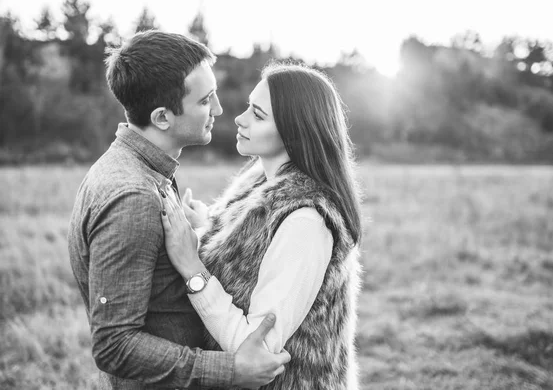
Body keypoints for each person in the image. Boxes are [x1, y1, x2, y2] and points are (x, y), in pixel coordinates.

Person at [67, 30, 290, 389]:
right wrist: (231, 369)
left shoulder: (146, 169)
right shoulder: (133, 197)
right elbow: (114, 345)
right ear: (161, 118)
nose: (218, 109)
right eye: (205, 100)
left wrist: (205, 232)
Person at [160, 62, 363, 390]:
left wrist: (192, 269)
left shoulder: (306, 222)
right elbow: (250, 251)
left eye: (258, 113)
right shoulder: (259, 183)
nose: (240, 119)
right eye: (248, 108)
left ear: (294, 130)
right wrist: (209, 226)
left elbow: (256, 350)